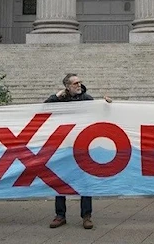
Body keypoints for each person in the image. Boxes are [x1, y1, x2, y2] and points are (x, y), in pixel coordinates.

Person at [45, 73, 95, 229]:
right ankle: (60, 215)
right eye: (75, 83)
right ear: (67, 86)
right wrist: (56, 95)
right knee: (60, 180)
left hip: (82, 146)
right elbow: (44, 108)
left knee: (84, 181)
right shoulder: (59, 100)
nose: (79, 85)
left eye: (80, 82)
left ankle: (86, 216)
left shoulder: (87, 99)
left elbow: (100, 112)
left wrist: (106, 103)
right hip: (63, 146)